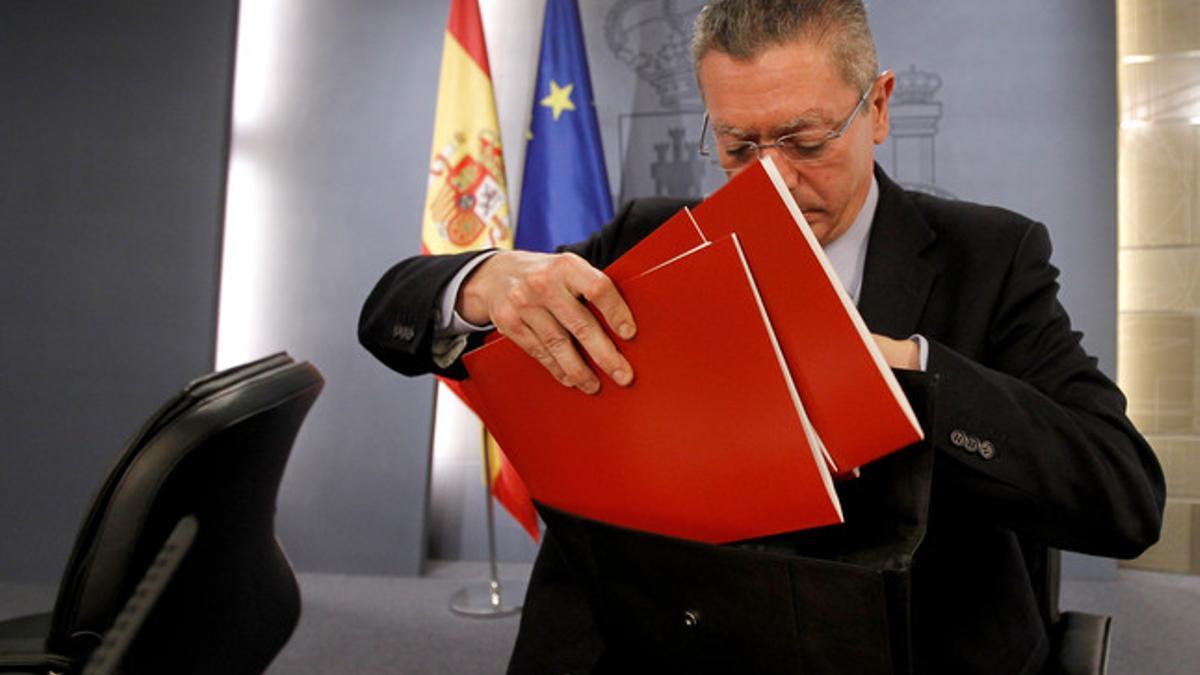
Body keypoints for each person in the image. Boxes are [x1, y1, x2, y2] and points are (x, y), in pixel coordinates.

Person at [359, 1, 1165, 672]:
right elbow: (389, 317)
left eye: (807, 142)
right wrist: (481, 282)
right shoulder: (650, 234)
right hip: (658, 637)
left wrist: (908, 370)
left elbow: (1126, 497)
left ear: (877, 107)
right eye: (740, 147)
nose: (773, 179)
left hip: (899, 644)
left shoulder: (990, 257)